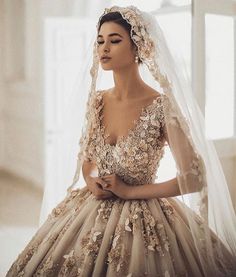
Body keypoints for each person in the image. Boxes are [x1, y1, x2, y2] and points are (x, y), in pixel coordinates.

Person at [6, 5, 236, 277]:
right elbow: (89, 160)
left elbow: (193, 178)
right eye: (100, 41)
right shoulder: (97, 101)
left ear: (138, 47)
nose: (104, 48)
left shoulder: (162, 107)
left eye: (115, 40)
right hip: (89, 207)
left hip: (144, 217)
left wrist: (129, 192)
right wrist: (91, 180)